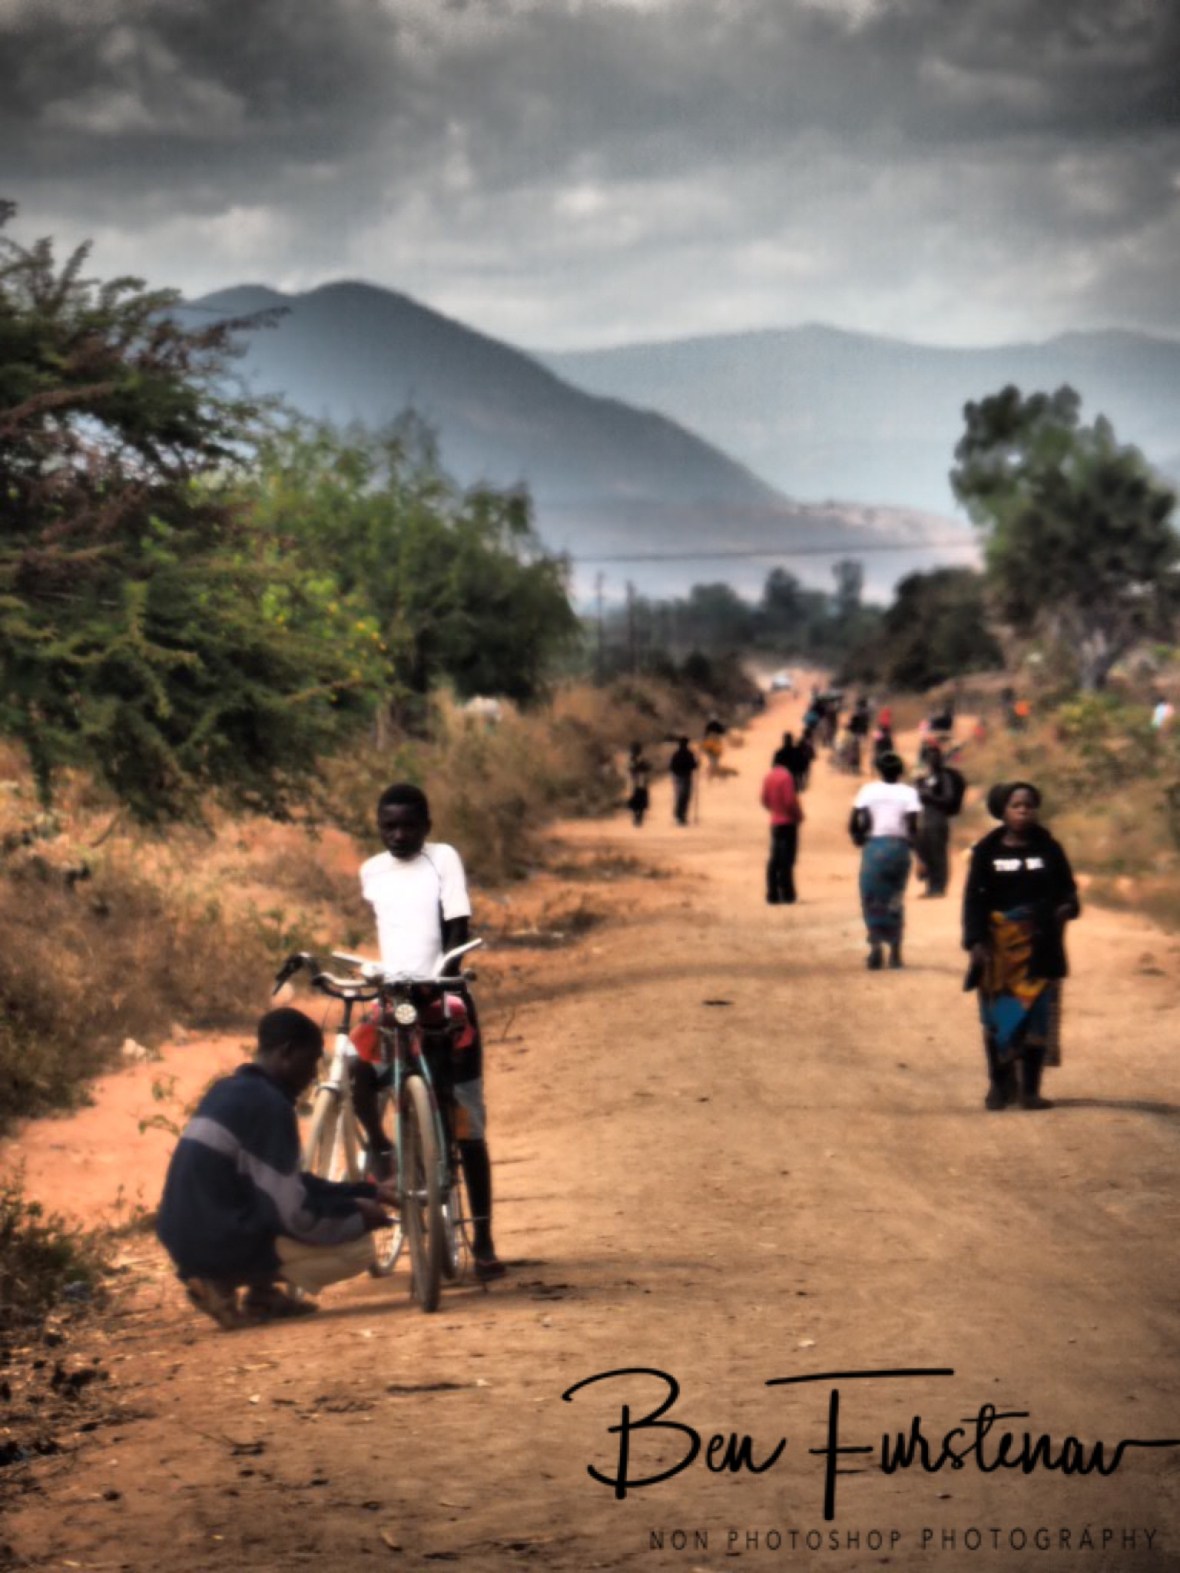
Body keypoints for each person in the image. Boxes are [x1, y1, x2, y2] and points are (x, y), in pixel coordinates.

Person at [156, 1008, 397, 1330]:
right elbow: (295, 1214)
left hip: (182, 1236)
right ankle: (221, 1281)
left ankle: (261, 1294)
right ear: (286, 1053)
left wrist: (369, 1191)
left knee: (269, 1207)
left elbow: (286, 1184)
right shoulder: (271, 1108)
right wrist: (356, 1215)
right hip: (214, 1240)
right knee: (358, 1249)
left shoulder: (227, 1089)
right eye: (311, 1062)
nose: (313, 1075)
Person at [353, 782, 505, 1280]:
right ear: (378, 827)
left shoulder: (443, 858)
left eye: (408, 826)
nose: (398, 835)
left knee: (466, 1121)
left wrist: (448, 971)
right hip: (395, 997)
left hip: (442, 992)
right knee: (360, 1066)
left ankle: (482, 1239)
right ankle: (381, 1146)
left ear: (427, 826)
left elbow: (458, 923)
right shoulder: (371, 871)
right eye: (388, 826)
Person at [962, 782, 1080, 1112]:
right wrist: (974, 941)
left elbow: (1068, 890)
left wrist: (1066, 908)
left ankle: (1030, 1090)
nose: (1023, 810)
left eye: (1029, 805)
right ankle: (999, 1085)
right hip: (997, 948)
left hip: (1040, 947)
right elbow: (973, 899)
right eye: (1016, 805)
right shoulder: (987, 851)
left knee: (1037, 1019)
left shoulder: (1049, 849)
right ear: (1002, 811)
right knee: (998, 1019)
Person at [849, 751, 920, 970]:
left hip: (875, 848)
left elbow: (854, 821)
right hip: (899, 848)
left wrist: (860, 838)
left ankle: (876, 949)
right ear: (900, 771)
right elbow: (912, 828)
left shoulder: (868, 791)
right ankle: (896, 953)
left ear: (879, 770)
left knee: (871, 898)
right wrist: (918, 855)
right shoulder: (909, 793)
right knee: (895, 898)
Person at [760, 747, 805, 904]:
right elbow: (790, 801)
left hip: (775, 822)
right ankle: (787, 893)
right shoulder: (787, 777)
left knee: (774, 858)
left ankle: (772, 893)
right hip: (788, 823)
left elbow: (764, 800)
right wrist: (798, 815)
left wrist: (774, 810)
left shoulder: (768, 777)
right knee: (787, 860)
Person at [915, 744, 959, 897]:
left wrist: (930, 797)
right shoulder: (924, 777)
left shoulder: (944, 777)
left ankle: (939, 887)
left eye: (935, 756)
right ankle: (930, 886)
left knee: (938, 855)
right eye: (929, 756)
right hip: (924, 821)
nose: (932, 760)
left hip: (938, 821)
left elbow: (949, 798)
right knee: (925, 854)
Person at [668, 737, 698, 825]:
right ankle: (681, 815)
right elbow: (693, 766)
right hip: (685, 777)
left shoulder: (676, 754)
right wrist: (697, 764)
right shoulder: (689, 754)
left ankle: (680, 814)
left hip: (678, 777)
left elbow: (671, 767)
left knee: (680, 796)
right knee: (685, 796)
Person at [626, 742, 652, 827]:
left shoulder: (641, 760)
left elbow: (648, 767)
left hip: (639, 783)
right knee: (637, 802)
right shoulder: (631, 760)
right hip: (637, 783)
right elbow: (630, 769)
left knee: (639, 802)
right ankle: (637, 817)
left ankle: (638, 817)